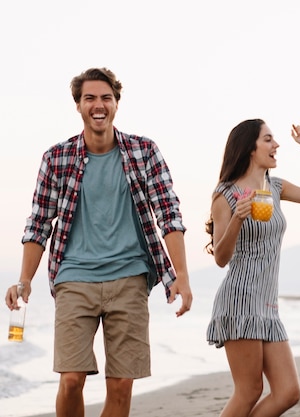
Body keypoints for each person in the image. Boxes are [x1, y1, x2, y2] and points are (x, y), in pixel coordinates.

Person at [4, 67, 193, 417]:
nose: (98, 105)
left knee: (121, 385)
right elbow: (39, 223)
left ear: (116, 104)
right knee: (72, 379)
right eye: (90, 98)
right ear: (78, 105)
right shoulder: (57, 158)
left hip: (130, 277)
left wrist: (180, 273)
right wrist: (24, 280)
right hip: (74, 278)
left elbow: (169, 214)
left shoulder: (144, 151)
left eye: (106, 97)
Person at [205, 119, 300, 416]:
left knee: (289, 392)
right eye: (268, 139)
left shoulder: (275, 188)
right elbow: (221, 258)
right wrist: (238, 219)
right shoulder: (225, 194)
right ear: (250, 148)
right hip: (240, 301)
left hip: (267, 305)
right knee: (249, 390)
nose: (276, 144)